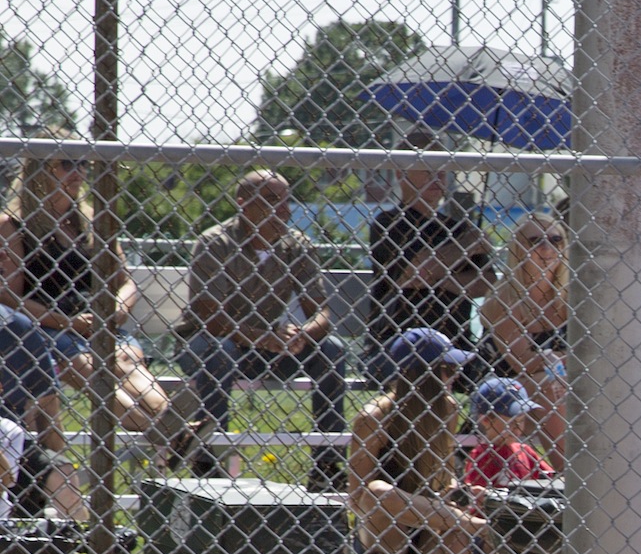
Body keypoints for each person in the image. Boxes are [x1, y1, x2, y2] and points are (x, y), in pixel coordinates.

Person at [0, 129, 166, 515]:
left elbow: (124, 280)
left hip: (97, 324)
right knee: (92, 367)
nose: (79, 173)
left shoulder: (94, 221)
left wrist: (114, 312)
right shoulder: (14, 224)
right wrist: (66, 322)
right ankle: (171, 438)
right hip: (45, 327)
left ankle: (168, 427)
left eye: (84, 164)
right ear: (41, 170)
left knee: (128, 364)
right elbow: (9, 295)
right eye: (67, 164)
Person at [348, 328, 512, 554]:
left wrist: (459, 491)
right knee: (378, 491)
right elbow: (359, 497)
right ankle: (476, 526)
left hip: (432, 523)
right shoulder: (373, 417)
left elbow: (440, 479)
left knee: (456, 538)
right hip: (382, 530)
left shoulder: (447, 409)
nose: (453, 378)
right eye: (445, 370)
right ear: (418, 375)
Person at [177, 170, 349, 488]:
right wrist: (265, 338)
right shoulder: (216, 243)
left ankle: (327, 464)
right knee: (219, 350)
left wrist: (302, 334)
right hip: (208, 344)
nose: (283, 210)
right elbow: (211, 318)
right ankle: (209, 459)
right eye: (272, 201)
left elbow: (321, 311)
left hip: (267, 347)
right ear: (244, 204)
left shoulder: (296, 244)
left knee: (332, 349)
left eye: (286, 201)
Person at [365, 130, 494, 383]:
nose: (439, 175)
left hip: (456, 341)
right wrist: (467, 246)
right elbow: (413, 273)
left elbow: (486, 282)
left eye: (443, 167)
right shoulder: (388, 223)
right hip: (399, 339)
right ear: (401, 173)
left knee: (490, 378)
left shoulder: (458, 227)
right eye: (428, 168)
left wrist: (434, 278)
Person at [463, 376, 556, 554]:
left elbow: (550, 480)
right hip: (494, 532)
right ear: (486, 419)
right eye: (511, 417)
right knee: (498, 545)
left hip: (528, 526)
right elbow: (474, 496)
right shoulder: (482, 454)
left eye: (522, 417)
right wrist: (482, 495)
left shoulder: (524, 449)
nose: (519, 423)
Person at [478, 214, 568, 464]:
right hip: (507, 394)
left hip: (565, 384)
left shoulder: (574, 295)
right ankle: (571, 476)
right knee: (549, 384)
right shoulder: (503, 298)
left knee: (558, 381)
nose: (547, 248)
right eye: (535, 240)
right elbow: (524, 363)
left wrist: (557, 359)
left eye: (556, 239)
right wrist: (571, 359)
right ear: (518, 249)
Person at [0, 305, 72, 518]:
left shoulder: (16, 326)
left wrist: (56, 457)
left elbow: (47, 402)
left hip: (10, 440)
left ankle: (81, 547)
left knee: (61, 472)